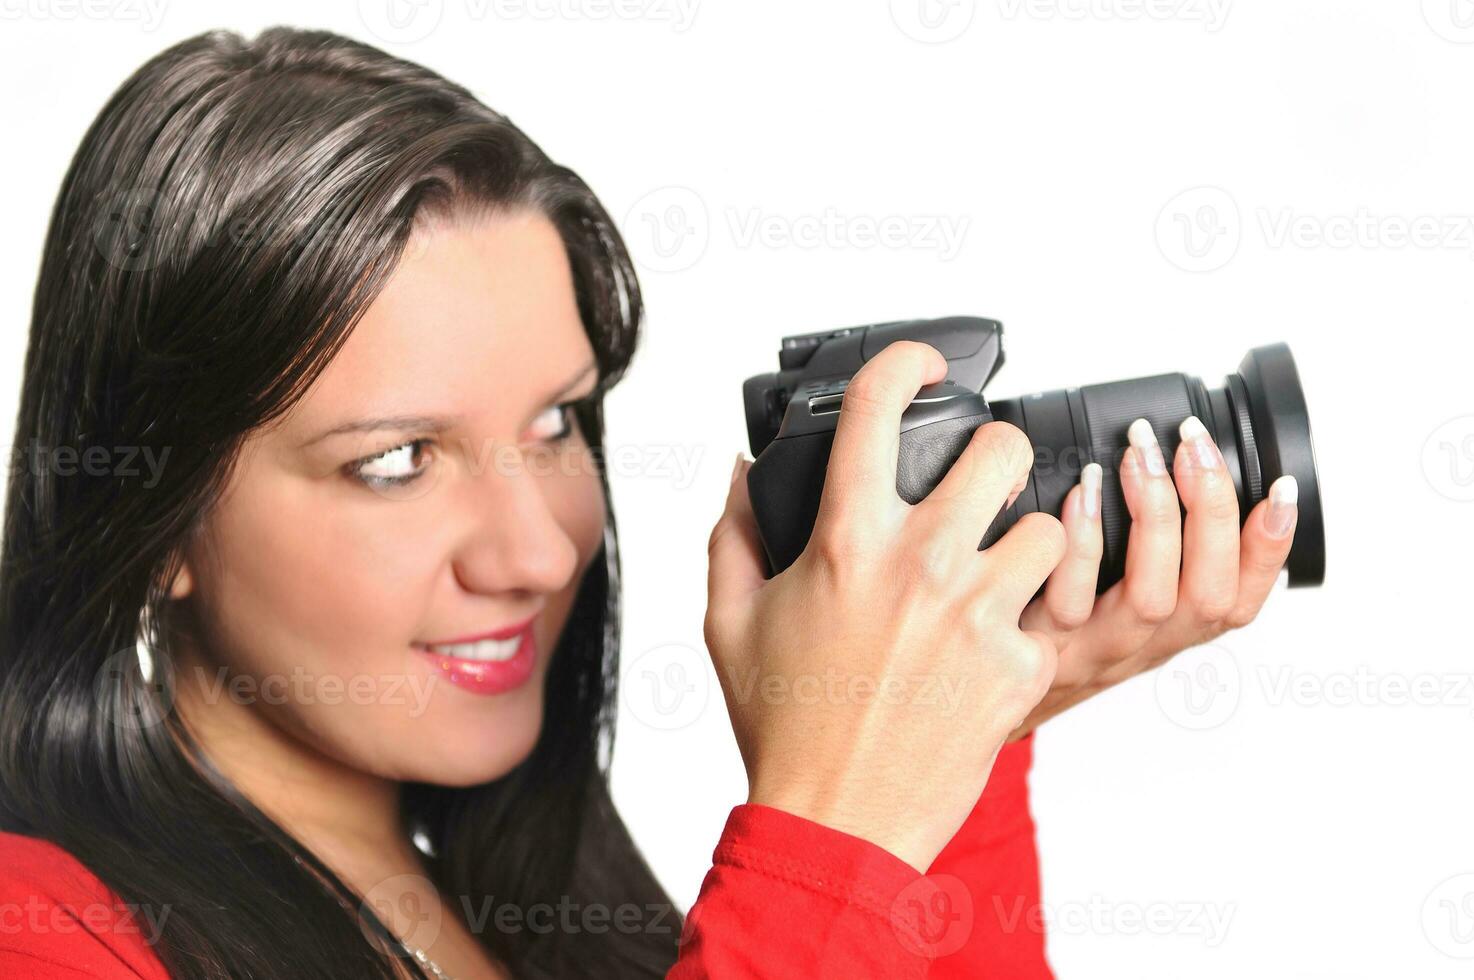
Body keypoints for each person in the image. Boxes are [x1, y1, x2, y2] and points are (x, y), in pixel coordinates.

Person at [0, 27, 1300, 979]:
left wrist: (944, 767)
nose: (535, 552)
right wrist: (828, 840)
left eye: (555, 423)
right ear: (160, 516)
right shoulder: (36, 933)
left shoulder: (547, 928)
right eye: (395, 459)